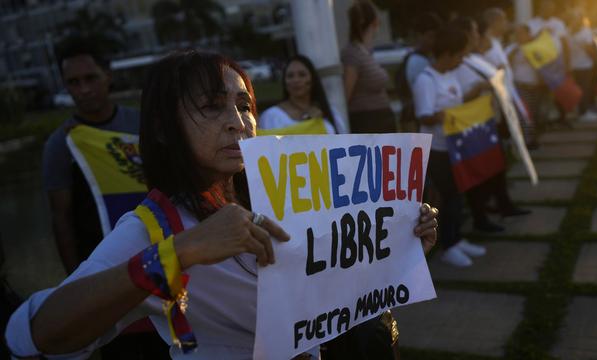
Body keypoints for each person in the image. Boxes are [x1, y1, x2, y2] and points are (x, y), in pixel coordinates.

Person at [6, 49, 440, 359]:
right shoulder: (155, 227)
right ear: (162, 127)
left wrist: (397, 245)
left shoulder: (280, 198)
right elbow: (33, 334)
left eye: (244, 104)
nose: (238, 121)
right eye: (212, 107)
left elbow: (332, 286)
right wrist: (179, 253)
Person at [43, 37, 168, 359]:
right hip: (106, 276)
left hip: (160, 265)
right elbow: (61, 218)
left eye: (90, 78)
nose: (83, 89)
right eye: (73, 82)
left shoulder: (139, 123)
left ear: (107, 76)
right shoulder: (62, 144)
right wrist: (76, 286)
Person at [411, 26, 482, 267]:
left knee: (458, 193)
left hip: (454, 145)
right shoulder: (426, 79)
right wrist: (442, 116)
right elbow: (424, 116)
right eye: (460, 54)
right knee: (450, 196)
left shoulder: (449, 75)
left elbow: (457, 104)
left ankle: (457, 239)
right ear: (448, 53)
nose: (462, 60)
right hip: (436, 149)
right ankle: (448, 246)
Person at [453, 17, 531, 233]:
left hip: (489, 117)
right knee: (481, 169)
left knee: (497, 165)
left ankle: (503, 204)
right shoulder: (459, 63)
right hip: (474, 123)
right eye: (476, 31)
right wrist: (483, 85)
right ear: (466, 34)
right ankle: (481, 216)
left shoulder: (473, 58)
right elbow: (458, 97)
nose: (479, 35)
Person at [483, 7, 537, 147]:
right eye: (504, 20)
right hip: (496, 95)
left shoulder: (495, 42)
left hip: (507, 91)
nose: (507, 23)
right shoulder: (486, 43)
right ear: (495, 22)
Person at [342, 0, 396, 133]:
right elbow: (346, 93)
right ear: (375, 21)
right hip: (368, 123)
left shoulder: (365, 52)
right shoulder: (352, 53)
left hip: (380, 122)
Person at [259, 55, 343, 134]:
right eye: (290, 76)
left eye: (302, 75)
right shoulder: (271, 116)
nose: (296, 80)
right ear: (285, 82)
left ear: (312, 79)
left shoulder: (330, 113)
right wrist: (307, 122)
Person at [396, 12, 443, 132]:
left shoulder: (427, 57)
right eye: (430, 36)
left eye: (437, 36)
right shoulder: (417, 61)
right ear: (419, 36)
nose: (434, 41)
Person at [567, 9, 597, 122]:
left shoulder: (569, 32)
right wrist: (596, 60)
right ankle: (584, 113)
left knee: (580, 90)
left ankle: (581, 110)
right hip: (585, 65)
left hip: (574, 66)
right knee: (585, 89)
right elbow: (589, 49)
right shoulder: (585, 31)